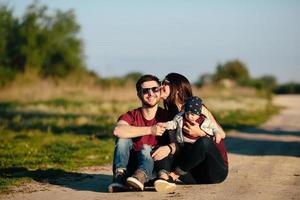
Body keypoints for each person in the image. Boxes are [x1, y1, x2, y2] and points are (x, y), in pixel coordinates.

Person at [151, 72, 228, 192]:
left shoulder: (197, 107)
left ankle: (173, 176)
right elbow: (179, 147)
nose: (161, 86)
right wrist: (169, 148)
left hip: (215, 171)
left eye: (165, 83)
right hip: (193, 174)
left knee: (204, 141)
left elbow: (221, 134)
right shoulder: (171, 116)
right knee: (162, 148)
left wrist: (201, 132)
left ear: (176, 88)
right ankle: (162, 178)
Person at [108, 74, 170, 192]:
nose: (151, 93)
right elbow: (118, 131)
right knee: (123, 139)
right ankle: (120, 177)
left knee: (146, 149)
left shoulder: (167, 116)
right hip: (130, 169)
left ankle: (141, 177)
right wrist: (151, 130)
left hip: (154, 170)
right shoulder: (131, 115)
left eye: (155, 89)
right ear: (139, 95)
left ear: (160, 91)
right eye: (146, 91)